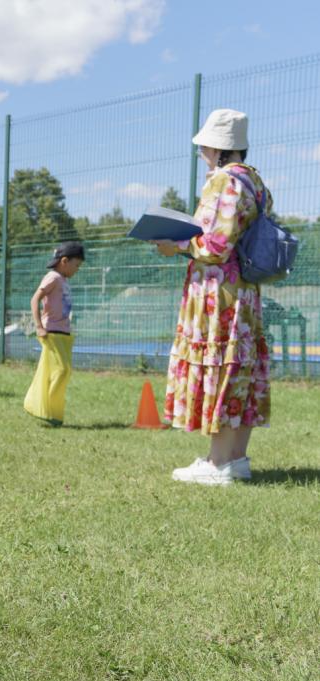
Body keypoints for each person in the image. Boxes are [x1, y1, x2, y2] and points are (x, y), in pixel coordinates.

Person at [152, 109, 270, 485]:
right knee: (239, 365)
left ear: (218, 147)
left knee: (219, 363)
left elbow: (216, 245)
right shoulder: (254, 181)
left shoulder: (222, 181)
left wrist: (177, 245)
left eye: (204, 144)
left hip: (218, 293)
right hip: (245, 291)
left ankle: (217, 463)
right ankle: (235, 459)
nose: (201, 150)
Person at [23, 242, 85, 425]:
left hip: (63, 332)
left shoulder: (63, 280)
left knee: (63, 372)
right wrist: (39, 326)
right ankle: (40, 405)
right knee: (61, 370)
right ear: (64, 261)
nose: (77, 269)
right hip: (52, 331)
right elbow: (35, 299)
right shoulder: (53, 277)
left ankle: (53, 412)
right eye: (76, 265)